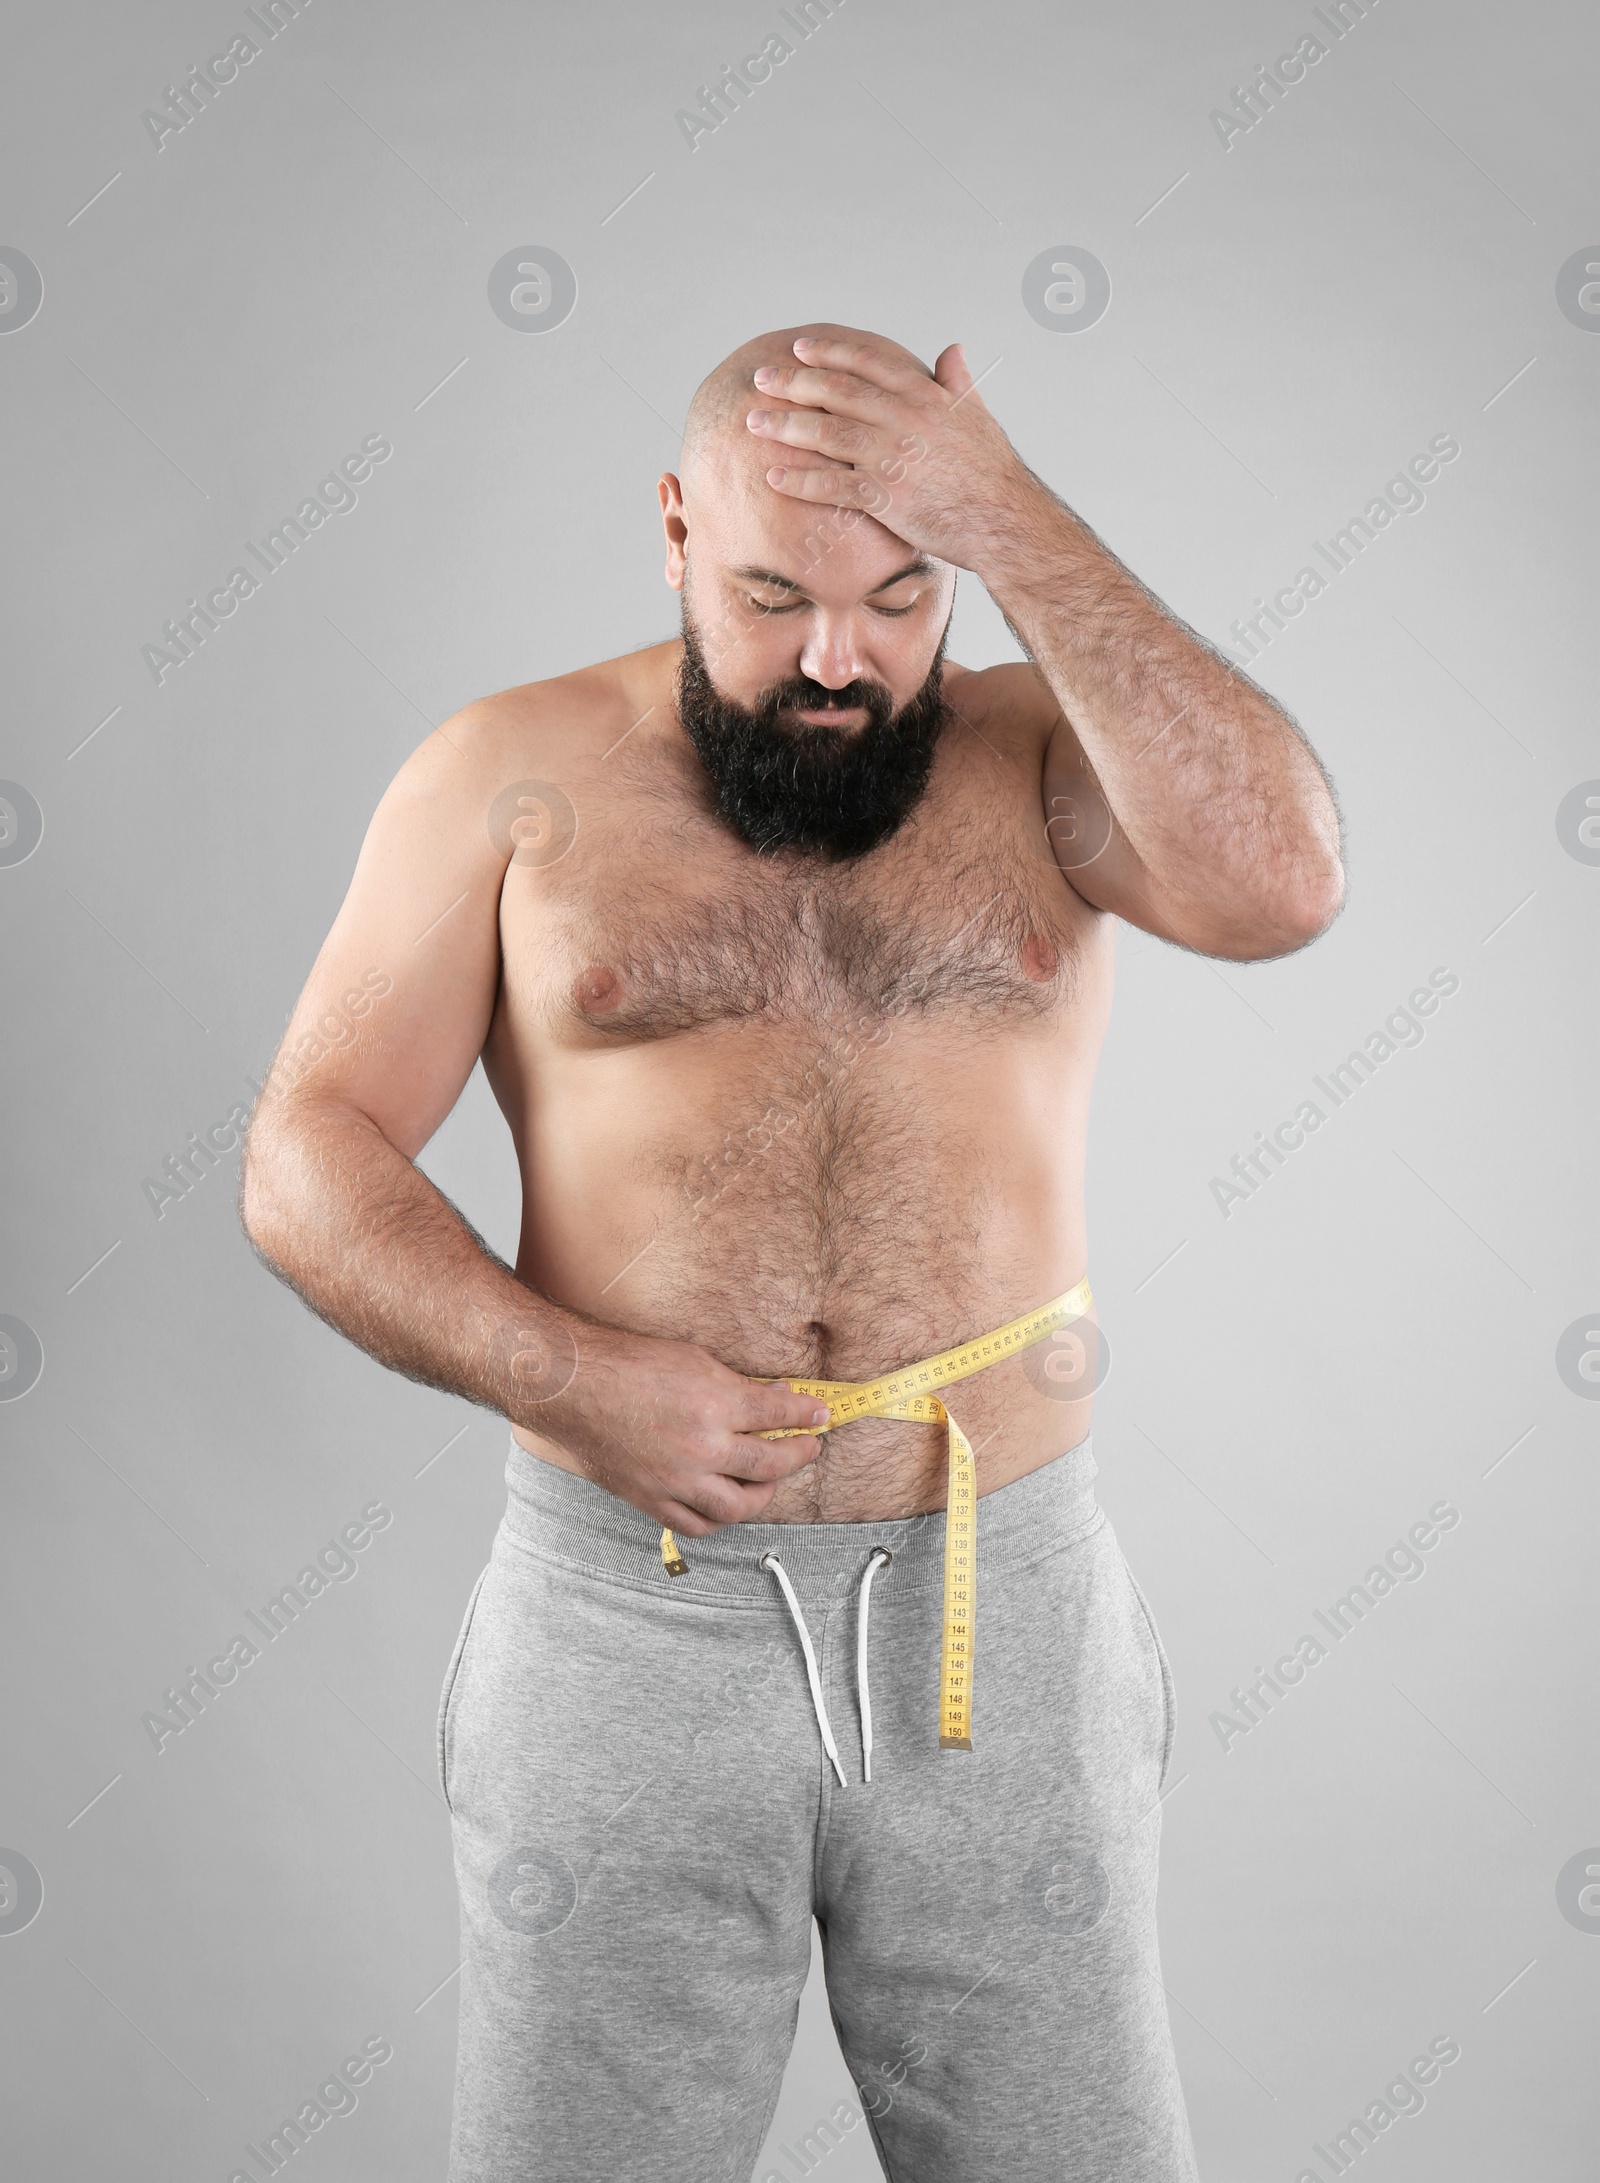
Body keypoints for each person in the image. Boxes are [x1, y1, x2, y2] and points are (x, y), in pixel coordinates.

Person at [240, 322, 1343, 2182]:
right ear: (673, 531)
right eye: (772, 597)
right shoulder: (503, 774)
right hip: (626, 1621)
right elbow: (305, 1156)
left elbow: (1283, 883)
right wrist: (565, 1378)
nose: (837, 662)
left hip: (1006, 1630)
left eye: (900, 600)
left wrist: (1015, 514)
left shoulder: (1042, 762)